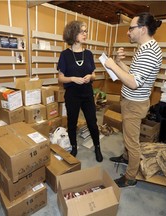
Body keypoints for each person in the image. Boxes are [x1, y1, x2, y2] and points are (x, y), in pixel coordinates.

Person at [105, 12, 162, 187]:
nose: (128, 32)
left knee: (132, 141)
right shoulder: (144, 48)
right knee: (128, 135)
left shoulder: (150, 52)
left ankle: (130, 177)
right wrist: (120, 64)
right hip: (131, 102)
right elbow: (134, 74)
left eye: (131, 28)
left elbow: (134, 83)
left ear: (142, 29)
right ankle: (125, 157)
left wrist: (112, 65)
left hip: (134, 104)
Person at [57, 20, 103, 162]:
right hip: (72, 95)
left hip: (87, 94)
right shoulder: (65, 55)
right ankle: (74, 146)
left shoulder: (88, 54)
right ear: (73, 34)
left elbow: (94, 74)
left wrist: (91, 76)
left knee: (92, 122)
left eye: (86, 31)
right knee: (72, 122)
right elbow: (60, 78)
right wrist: (72, 79)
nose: (85, 34)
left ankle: (97, 147)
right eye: (82, 31)